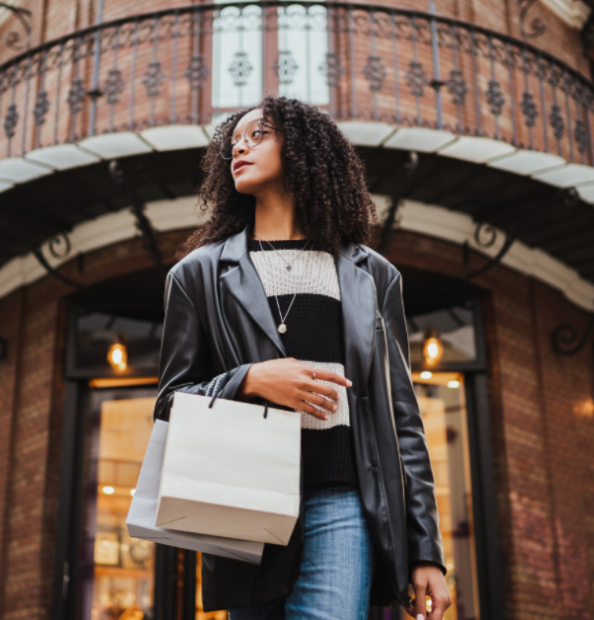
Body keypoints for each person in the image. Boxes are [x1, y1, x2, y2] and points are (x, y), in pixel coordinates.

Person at [154, 95, 451, 620]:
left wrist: (426, 548)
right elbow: (170, 404)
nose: (238, 148)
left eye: (258, 135)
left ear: (304, 150)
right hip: (242, 502)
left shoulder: (372, 275)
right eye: (233, 143)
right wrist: (250, 379)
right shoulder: (197, 275)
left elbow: (403, 418)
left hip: (341, 504)